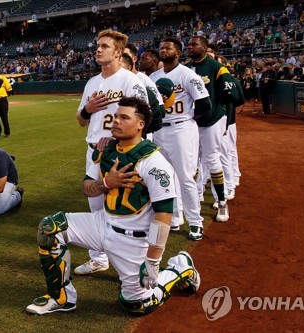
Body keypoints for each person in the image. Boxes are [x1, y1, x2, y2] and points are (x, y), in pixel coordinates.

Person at [26, 96, 200, 316]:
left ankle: (179, 267)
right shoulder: (105, 150)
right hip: (102, 223)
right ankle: (61, 298)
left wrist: (153, 260)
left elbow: (163, 215)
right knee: (50, 228)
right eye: (115, 116)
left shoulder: (155, 163)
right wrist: (107, 183)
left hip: (133, 239)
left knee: (136, 305)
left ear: (141, 124)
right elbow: (86, 187)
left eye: (124, 117)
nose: (115, 121)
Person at [74, 29, 148, 275]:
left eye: (104, 46)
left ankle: (129, 260)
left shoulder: (130, 81)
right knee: (94, 205)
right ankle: (98, 258)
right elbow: (81, 120)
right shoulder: (92, 82)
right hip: (93, 150)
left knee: (120, 209)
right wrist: (87, 108)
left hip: (118, 152)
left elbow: (142, 118)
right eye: (98, 45)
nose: (98, 49)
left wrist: (116, 135)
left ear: (118, 53)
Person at [150, 37, 211, 241]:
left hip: (181, 129)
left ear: (177, 53)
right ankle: (175, 217)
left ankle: (195, 222)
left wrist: (189, 119)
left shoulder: (188, 74)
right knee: (164, 176)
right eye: (161, 46)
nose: (163, 49)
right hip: (160, 130)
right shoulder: (154, 76)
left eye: (168, 47)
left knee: (185, 177)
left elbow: (204, 103)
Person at [186, 36, 240, 221]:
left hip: (211, 121)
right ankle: (196, 196)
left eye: (195, 44)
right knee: (192, 163)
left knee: (212, 160)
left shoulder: (217, 67)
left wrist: (222, 116)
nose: (190, 47)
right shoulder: (185, 68)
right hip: (190, 122)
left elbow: (231, 94)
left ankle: (222, 201)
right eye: (189, 44)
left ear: (205, 47)